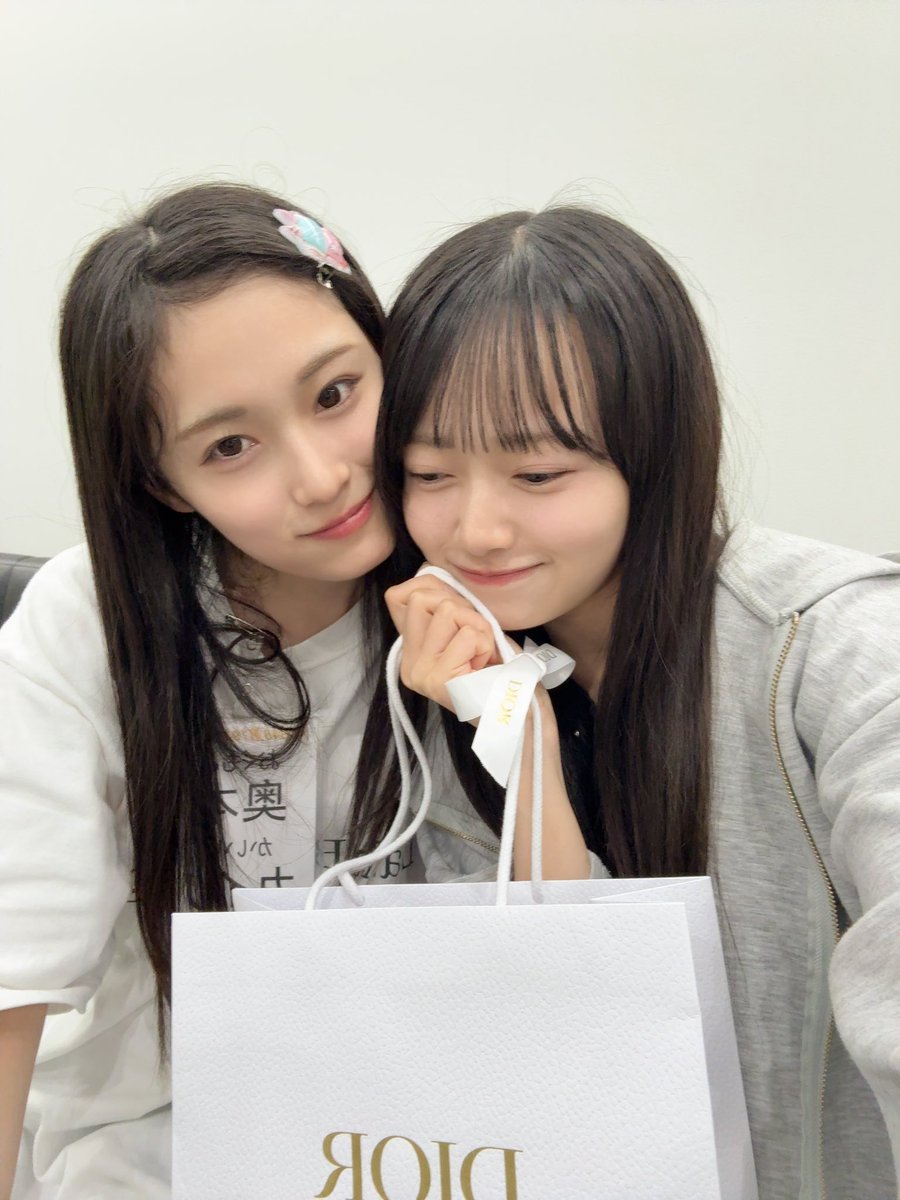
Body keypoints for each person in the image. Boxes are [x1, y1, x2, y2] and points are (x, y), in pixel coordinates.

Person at [376, 206, 900, 1198]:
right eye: (429, 472)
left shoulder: (838, 647)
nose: (476, 529)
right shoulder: (442, 680)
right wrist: (521, 749)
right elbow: (564, 1036)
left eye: (538, 472)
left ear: (655, 455)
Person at [0, 183, 411, 1198]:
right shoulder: (92, 622)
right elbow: (13, 969)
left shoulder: (493, 577)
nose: (320, 476)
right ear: (161, 481)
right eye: (230, 446)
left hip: (430, 1143)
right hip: (157, 1153)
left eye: (335, 394)